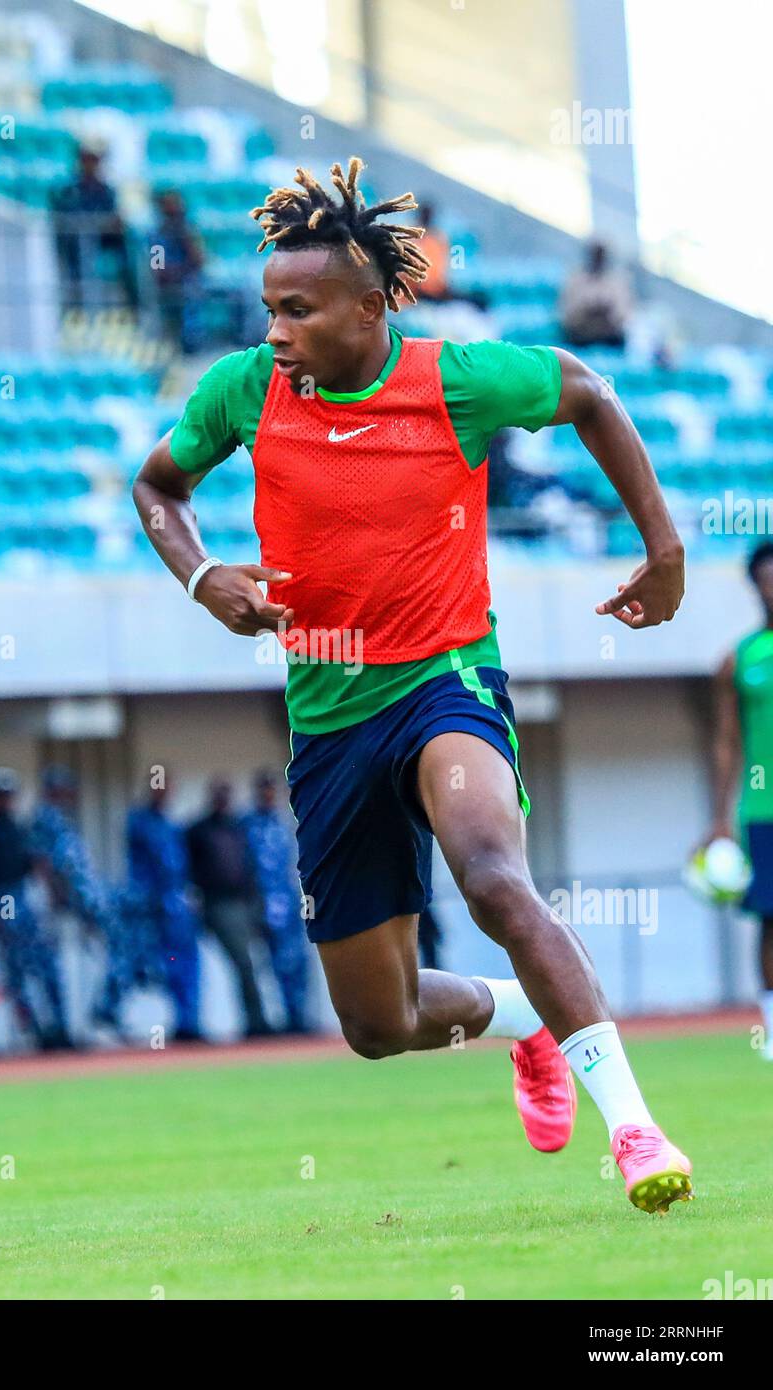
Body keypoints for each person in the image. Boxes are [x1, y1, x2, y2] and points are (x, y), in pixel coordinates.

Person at [133, 154, 690, 1214]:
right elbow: (157, 486)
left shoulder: (458, 380)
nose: (275, 332)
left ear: (370, 305)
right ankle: (518, 1021)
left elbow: (591, 391)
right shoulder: (242, 391)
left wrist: (661, 548)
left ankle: (634, 1125)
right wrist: (204, 575)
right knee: (376, 1025)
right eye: (268, 310)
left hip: (446, 678)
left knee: (490, 872)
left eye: (296, 312)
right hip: (329, 714)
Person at [703, 541, 773, 1061]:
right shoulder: (739, 658)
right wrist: (719, 818)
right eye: (765, 577)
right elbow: (726, 742)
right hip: (762, 809)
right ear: (755, 584)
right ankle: (771, 1027)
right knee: (771, 919)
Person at [0, 768, 73, 1051]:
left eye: (8, 795)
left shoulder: (20, 829)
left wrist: (55, 891)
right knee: (14, 970)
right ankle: (31, 1030)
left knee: (45, 964)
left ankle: (58, 1028)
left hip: (22, 901)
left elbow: (36, 865)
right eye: (0, 794)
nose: (5, 800)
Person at [186, 781, 273, 1039]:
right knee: (242, 962)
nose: (223, 801)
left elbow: (250, 867)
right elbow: (188, 870)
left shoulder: (239, 828)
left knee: (251, 963)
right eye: (218, 796)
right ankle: (255, 1022)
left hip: (243, 902)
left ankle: (257, 1020)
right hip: (218, 904)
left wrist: (257, 903)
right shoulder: (198, 831)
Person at [124, 774, 203, 1042]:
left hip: (177, 910)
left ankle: (187, 1022)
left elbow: (182, 869)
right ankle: (135, 1026)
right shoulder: (140, 822)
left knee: (185, 965)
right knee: (149, 968)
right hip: (149, 909)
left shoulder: (172, 826)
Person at [242, 771, 311, 1034]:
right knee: (268, 964)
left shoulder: (284, 823)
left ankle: (298, 1017)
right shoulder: (247, 825)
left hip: (289, 904)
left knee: (296, 963)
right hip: (261, 905)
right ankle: (269, 1021)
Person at [53, 142, 136, 312]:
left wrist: (112, 223)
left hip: (102, 241)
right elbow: (66, 219)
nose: (91, 164)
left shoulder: (107, 191)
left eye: (95, 160)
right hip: (74, 242)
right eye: (88, 159)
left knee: (130, 245)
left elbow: (113, 217)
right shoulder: (67, 191)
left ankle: (133, 298)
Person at [149, 189, 206, 354]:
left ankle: (192, 343)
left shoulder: (189, 231)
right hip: (167, 285)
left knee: (192, 290)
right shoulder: (157, 236)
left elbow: (199, 260)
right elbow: (158, 268)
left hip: (188, 281)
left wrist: (186, 238)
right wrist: (177, 272)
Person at [559, 238, 633, 350]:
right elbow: (567, 314)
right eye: (595, 255)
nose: (598, 259)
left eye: (601, 255)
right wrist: (588, 310)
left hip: (609, 336)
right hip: (581, 336)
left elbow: (624, 315)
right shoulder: (575, 280)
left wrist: (605, 312)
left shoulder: (617, 282)